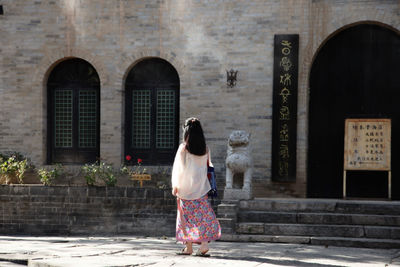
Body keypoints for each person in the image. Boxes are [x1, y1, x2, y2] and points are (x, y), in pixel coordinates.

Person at [171, 117, 221, 256]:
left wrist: (175, 185)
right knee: (203, 216)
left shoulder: (184, 148)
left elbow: (179, 168)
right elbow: (208, 166)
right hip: (201, 188)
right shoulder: (205, 149)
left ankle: (189, 248)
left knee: (185, 218)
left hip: (185, 188)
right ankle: (204, 245)